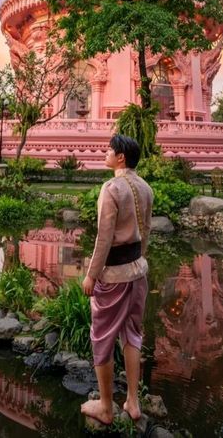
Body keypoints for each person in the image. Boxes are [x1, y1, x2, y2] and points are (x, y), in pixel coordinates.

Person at [80, 134, 153, 425]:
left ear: (121, 157)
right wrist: (139, 259)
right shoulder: (146, 188)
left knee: (102, 338)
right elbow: (145, 231)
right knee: (132, 334)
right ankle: (133, 403)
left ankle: (107, 408)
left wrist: (90, 275)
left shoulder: (111, 189)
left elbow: (104, 238)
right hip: (138, 270)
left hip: (113, 276)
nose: (105, 153)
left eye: (109, 150)